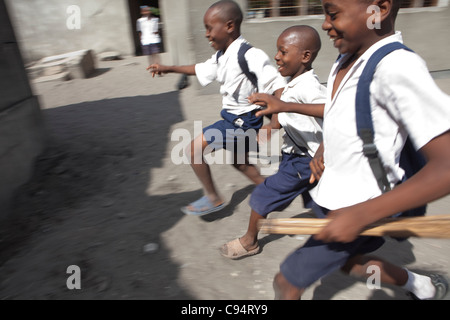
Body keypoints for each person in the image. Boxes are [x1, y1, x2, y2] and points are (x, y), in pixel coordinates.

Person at [252, 0, 450, 300]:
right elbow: (340, 115)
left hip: (362, 204)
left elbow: (445, 166)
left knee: (286, 282)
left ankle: (420, 287)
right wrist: (322, 153)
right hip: (337, 196)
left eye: (333, 14)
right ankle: (420, 286)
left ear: (379, 9)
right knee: (349, 263)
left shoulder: (398, 67)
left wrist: (361, 215)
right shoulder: (345, 60)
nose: (324, 24)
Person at [148, 0, 286, 216]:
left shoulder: (250, 54)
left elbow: (278, 85)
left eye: (209, 28)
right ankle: (270, 192)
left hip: (241, 121)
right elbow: (199, 69)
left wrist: (275, 124)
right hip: (236, 119)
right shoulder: (222, 55)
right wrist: (169, 68)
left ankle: (214, 198)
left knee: (193, 150)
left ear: (229, 26)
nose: (206, 34)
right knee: (239, 163)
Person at [220, 25, 326, 259]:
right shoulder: (293, 83)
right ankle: (340, 230)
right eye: (277, 51)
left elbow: (332, 109)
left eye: (283, 51)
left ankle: (249, 242)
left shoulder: (309, 87)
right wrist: (272, 124)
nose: (277, 56)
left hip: (305, 160)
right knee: (319, 200)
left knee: (262, 196)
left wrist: (285, 106)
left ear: (305, 56)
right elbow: (289, 114)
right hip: (296, 155)